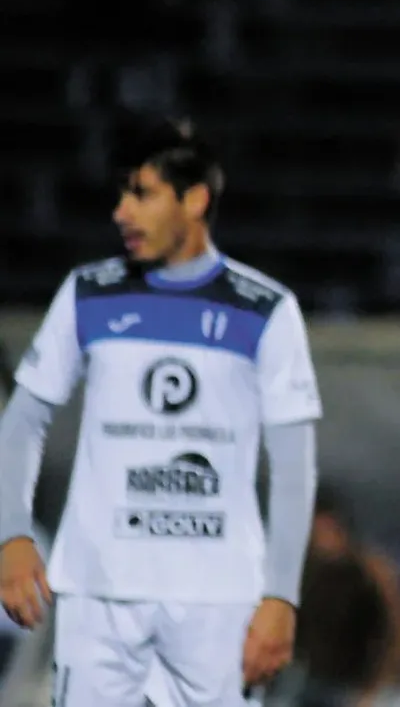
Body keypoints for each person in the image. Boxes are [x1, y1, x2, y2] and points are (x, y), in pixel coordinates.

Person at [0, 118, 323, 706]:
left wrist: (281, 596)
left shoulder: (267, 311)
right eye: (121, 193)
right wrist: (11, 535)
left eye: (141, 193)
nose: (123, 212)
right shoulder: (87, 294)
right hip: (99, 594)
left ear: (195, 199)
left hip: (220, 601)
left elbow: (296, 465)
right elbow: (22, 421)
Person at [268, 485, 400, 707]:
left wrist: (376, 686)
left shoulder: (372, 571)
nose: (320, 538)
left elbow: (395, 631)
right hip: (311, 679)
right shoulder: (309, 570)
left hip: (355, 685)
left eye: (325, 529)